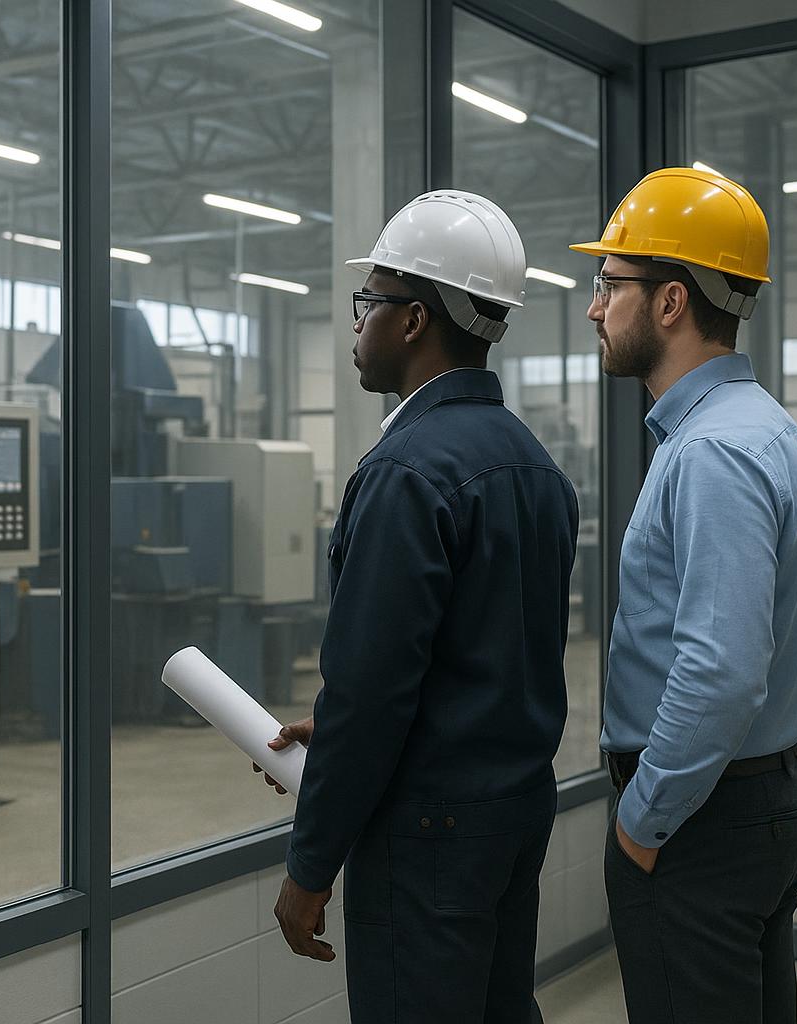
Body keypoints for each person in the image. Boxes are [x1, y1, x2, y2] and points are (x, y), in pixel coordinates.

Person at [257, 190, 579, 1023]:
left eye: (369, 303)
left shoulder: (408, 474)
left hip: (427, 836)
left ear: (412, 321)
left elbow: (372, 692)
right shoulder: (536, 466)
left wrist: (310, 866)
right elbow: (483, 657)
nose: (357, 325)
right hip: (511, 816)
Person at [568, 166, 797, 1024]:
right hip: (758, 798)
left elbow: (720, 670)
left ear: (672, 302)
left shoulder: (712, 452)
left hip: (701, 819)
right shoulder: (769, 430)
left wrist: (643, 823)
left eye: (611, 284)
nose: (597, 308)